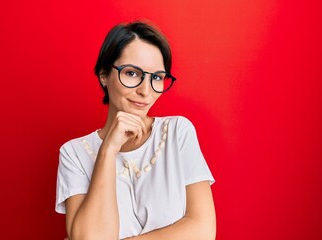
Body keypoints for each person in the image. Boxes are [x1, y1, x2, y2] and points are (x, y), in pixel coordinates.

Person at [55, 21, 216, 240]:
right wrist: (108, 150)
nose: (145, 91)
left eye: (157, 78)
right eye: (132, 73)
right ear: (104, 74)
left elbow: (203, 230)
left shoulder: (177, 132)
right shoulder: (74, 153)